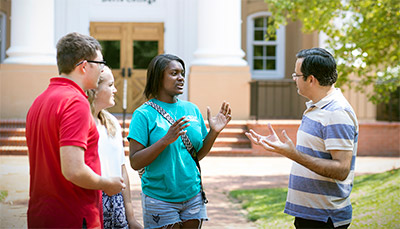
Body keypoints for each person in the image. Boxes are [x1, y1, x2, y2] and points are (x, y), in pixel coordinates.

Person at [246, 48, 359, 228]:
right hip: (311, 216)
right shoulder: (317, 107)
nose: (293, 79)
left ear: (311, 79)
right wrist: (282, 148)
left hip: (324, 218)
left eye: (296, 75)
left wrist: (293, 154)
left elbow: (341, 169)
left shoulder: (336, 113)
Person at [25, 32, 126, 228]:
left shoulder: (39, 101)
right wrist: (107, 183)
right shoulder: (75, 102)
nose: (102, 69)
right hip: (74, 215)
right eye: (100, 64)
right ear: (84, 65)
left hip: (42, 214)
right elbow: (74, 170)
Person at [128, 54, 232, 229]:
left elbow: (197, 154)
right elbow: (135, 161)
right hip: (159, 198)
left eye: (182, 73)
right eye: (174, 73)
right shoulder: (143, 114)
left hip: (193, 195)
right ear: (158, 77)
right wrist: (165, 140)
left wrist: (214, 132)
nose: (181, 77)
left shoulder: (191, 109)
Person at [87, 66, 143, 229]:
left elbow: (122, 170)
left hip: (116, 203)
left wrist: (130, 216)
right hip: (92, 202)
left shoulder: (112, 123)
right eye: (110, 85)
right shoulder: (82, 122)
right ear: (94, 90)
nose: (116, 90)